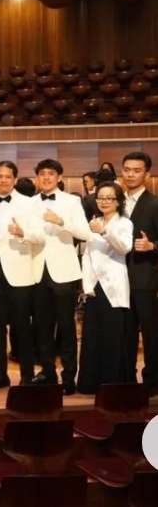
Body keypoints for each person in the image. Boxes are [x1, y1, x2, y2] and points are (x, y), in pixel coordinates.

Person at [0, 160, 44, 390]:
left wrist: (22, 232)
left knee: (22, 327)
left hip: (19, 272)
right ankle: (0, 374)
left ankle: (27, 374)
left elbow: (40, 236)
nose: (3, 180)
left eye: (7, 176)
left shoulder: (29, 203)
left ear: (14, 179)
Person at [31, 159, 89, 394]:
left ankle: (68, 377)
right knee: (42, 327)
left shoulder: (72, 201)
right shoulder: (30, 203)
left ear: (59, 178)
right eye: (42, 174)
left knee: (66, 327)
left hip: (64, 271)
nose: (46, 177)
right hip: (37, 271)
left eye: (51, 173)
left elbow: (84, 233)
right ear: (37, 178)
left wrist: (61, 221)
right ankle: (47, 372)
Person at [78, 182, 134, 394]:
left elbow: (124, 248)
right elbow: (87, 255)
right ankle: (90, 383)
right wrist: (86, 285)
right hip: (94, 285)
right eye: (100, 197)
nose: (104, 201)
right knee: (92, 336)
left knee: (112, 335)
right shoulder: (94, 221)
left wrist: (104, 232)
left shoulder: (124, 223)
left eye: (109, 198)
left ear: (118, 202)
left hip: (113, 285)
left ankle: (112, 384)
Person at [121, 151, 158, 397]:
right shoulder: (113, 202)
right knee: (124, 332)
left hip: (144, 278)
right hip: (117, 279)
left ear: (147, 174)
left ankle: (152, 380)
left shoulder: (155, 204)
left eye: (136, 170)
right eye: (126, 170)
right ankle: (125, 379)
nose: (130, 175)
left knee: (150, 332)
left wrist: (152, 245)